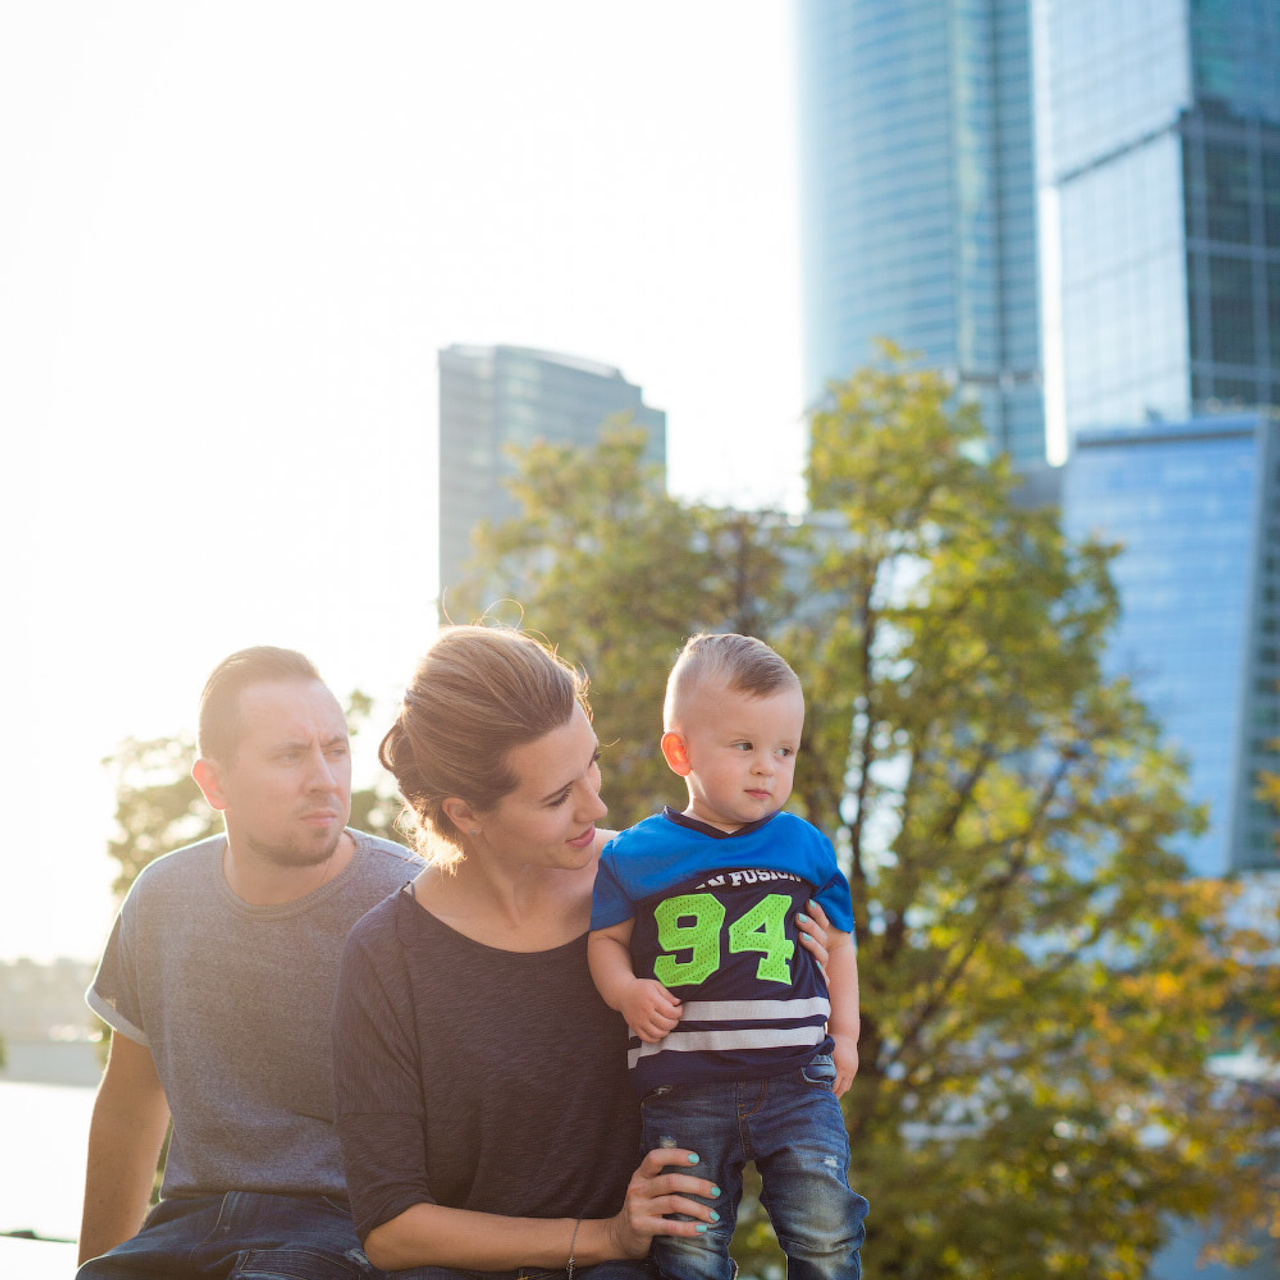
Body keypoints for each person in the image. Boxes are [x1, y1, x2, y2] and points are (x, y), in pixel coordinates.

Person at [330, 625, 832, 1277]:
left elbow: (771, 1080)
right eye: (556, 796)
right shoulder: (384, 958)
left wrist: (807, 977)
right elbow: (393, 1231)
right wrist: (604, 1237)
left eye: (589, 764)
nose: (595, 805)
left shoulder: (667, 889)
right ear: (467, 814)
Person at [77, 646, 422, 1280]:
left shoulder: (413, 903)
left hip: (343, 1231)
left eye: (336, 749)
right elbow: (130, 1103)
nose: (324, 777)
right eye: (290, 755)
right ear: (214, 784)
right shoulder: (162, 896)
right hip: (186, 1227)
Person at [587, 633, 868, 1280]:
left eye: (784, 750)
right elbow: (603, 940)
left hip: (798, 1082)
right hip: (682, 1090)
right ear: (680, 751)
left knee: (825, 1230)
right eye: (743, 746)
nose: (767, 766)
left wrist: (845, 1035)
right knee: (688, 1247)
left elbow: (841, 941)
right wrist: (626, 991)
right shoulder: (637, 853)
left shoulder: (804, 846)